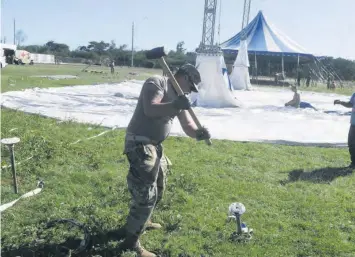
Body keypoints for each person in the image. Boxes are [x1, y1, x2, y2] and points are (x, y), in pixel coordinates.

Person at [113, 63, 211, 256]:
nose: (190, 92)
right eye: (190, 87)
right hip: (140, 143)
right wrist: (174, 105)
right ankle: (131, 242)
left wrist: (198, 133)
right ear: (184, 77)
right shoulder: (157, 83)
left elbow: (187, 125)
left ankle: (144, 220)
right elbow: (151, 109)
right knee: (146, 194)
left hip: (156, 145)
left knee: (159, 187)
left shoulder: (180, 97)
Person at [334, 94, 355, 167]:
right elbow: (350, 104)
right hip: (353, 124)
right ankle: (353, 163)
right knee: (351, 143)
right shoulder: (354, 94)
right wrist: (340, 102)